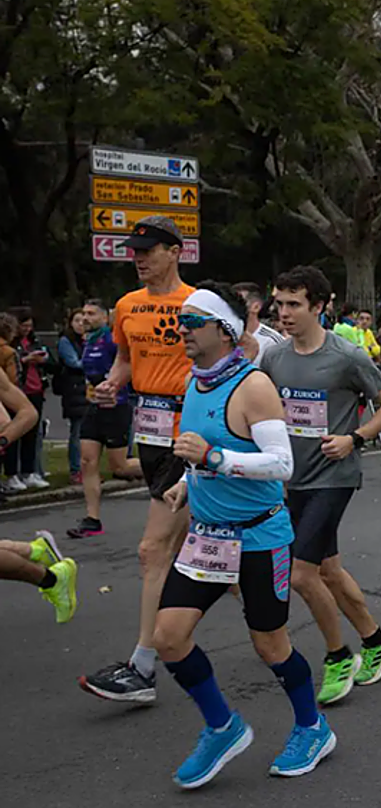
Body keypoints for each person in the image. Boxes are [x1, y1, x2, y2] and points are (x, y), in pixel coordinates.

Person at [153, 282, 334, 788]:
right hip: (208, 539)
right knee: (168, 638)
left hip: (258, 538)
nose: (180, 330)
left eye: (191, 322)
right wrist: (188, 484)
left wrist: (213, 460)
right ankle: (222, 726)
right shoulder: (197, 382)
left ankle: (312, 727)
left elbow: (281, 464)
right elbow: (204, 449)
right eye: (180, 322)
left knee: (271, 646)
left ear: (224, 330)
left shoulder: (252, 386)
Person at [263, 266, 381, 705]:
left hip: (334, 475)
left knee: (301, 574)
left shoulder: (346, 356)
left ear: (319, 307)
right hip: (292, 479)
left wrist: (355, 438)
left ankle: (339, 654)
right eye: (279, 304)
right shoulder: (273, 358)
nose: (283, 313)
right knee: (328, 570)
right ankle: (377, 639)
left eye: (294, 305)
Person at [79, 216, 197, 703]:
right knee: (203, 545)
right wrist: (113, 382)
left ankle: (143, 667)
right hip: (147, 432)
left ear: (176, 251)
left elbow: (226, 361)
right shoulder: (127, 306)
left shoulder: (197, 304)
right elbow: (126, 359)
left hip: (186, 437)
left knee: (153, 550)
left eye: (149, 250)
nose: (140, 258)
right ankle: (271, 620)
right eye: (135, 251)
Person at [69, 299, 143, 538]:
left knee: (119, 466)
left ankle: (165, 464)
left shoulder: (113, 340)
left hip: (116, 406)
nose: (85, 318)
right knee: (87, 461)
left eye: (91, 314)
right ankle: (92, 519)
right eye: (83, 314)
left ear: (105, 317)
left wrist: (115, 388)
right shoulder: (88, 341)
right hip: (94, 407)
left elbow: (130, 366)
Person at [5, 306, 51, 490]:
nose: (27, 329)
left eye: (30, 326)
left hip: (35, 389)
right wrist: (24, 360)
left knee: (33, 433)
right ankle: (11, 474)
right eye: (24, 325)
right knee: (14, 434)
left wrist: (43, 359)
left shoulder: (33, 340)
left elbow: (52, 361)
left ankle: (29, 471)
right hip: (17, 392)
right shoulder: (9, 347)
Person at [56, 308, 89, 484]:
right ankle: (75, 469)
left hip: (87, 390)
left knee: (88, 433)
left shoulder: (88, 340)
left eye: (84, 321)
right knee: (77, 432)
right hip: (74, 390)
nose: (81, 324)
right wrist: (92, 359)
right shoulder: (66, 341)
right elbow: (74, 363)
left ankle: (88, 469)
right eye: (77, 321)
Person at [233, 282, 285, 365]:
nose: (233, 307)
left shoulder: (272, 342)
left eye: (240, 303)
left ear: (256, 307)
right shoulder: (225, 338)